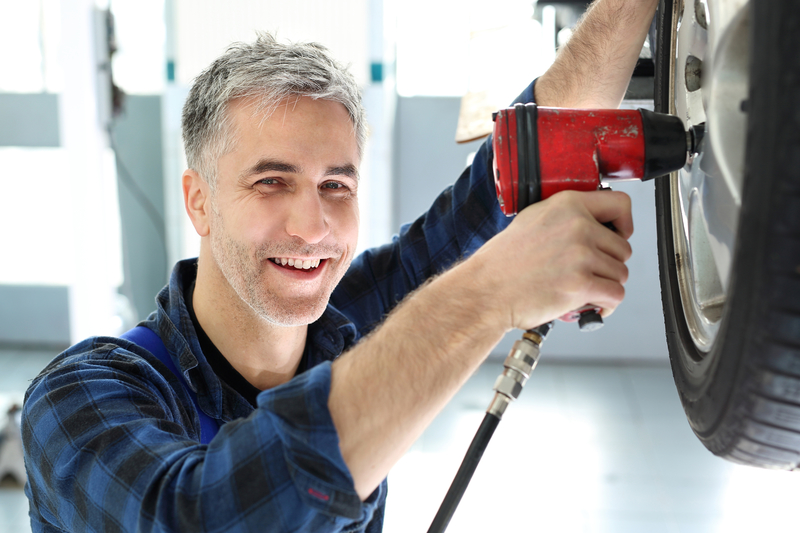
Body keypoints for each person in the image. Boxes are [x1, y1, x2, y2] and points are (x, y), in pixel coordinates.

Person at [22, 0, 658, 531]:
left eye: (336, 185)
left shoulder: (348, 326)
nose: (313, 227)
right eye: (271, 182)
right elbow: (202, 516)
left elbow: (512, 175)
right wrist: (485, 294)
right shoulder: (79, 398)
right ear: (200, 200)